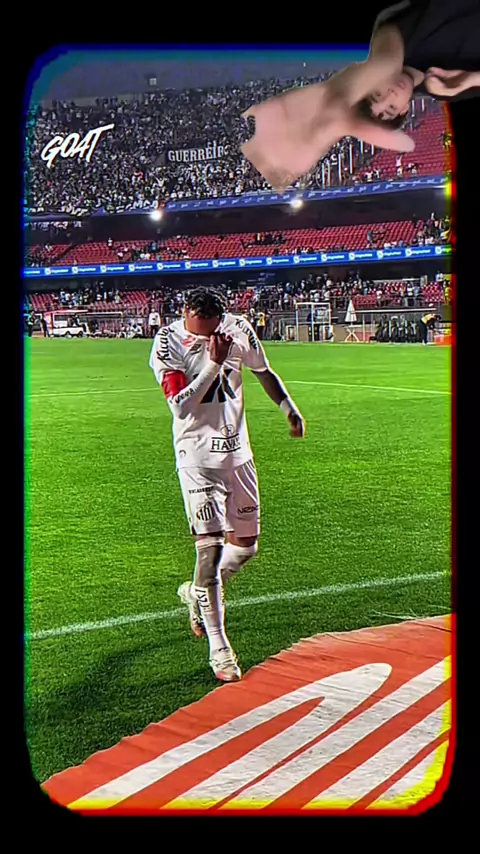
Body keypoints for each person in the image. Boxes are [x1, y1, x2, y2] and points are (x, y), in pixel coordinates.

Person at [149, 287, 306, 683]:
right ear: (185, 313)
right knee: (210, 549)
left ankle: (198, 593)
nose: (208, 336)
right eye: (200, 329)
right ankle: (219, 648)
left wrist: (288, 408)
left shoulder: (238, 329)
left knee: (246, 547)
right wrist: (214, 363)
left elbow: (263, 371)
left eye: (213, 328)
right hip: (197, 457)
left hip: (239, 454)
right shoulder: (168, 341)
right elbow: (180, 406)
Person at [240, 0, 480, 191]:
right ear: (405, 109)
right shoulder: (446, 89)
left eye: (376, 93)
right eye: (390, 108)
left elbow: (385, 61)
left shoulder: (393, 35)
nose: (389, 95)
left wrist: (330, 108)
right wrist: (469, 80)